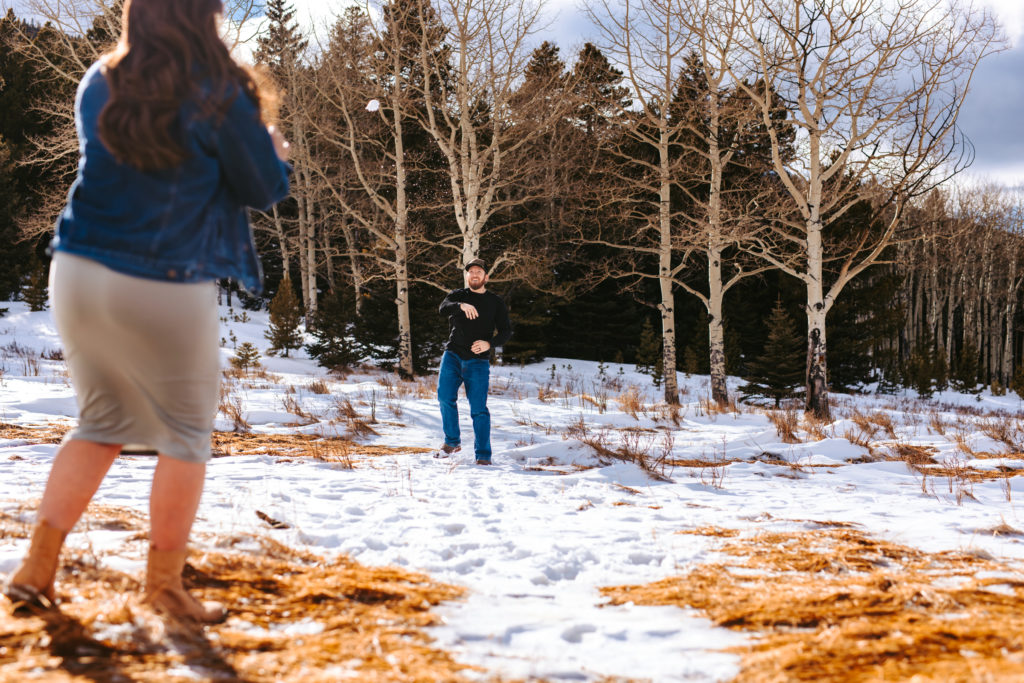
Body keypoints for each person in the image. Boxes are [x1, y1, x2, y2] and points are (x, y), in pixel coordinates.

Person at [3, 0, 290, 623]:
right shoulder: (217, 90)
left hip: (77, 269)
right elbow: (264, 187)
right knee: (185, 434)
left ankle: (36, 569)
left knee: (101, 422)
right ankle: (163, 588)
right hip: (159, 277)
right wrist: (272, 144)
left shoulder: (101, 77)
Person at [437, 258, 512, 465]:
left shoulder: (495, 302)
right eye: (471, 271)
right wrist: (460, 305)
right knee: (444, 398)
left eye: (479, 271)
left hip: (478, 362)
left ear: (486, 277)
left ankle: (483, 455)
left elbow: (506, 331)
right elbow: (443, 309)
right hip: (452, 355)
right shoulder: (457, 296)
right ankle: (452, 442)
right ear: (467, 276)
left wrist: (490, 344)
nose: (475, 274)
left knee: (478, 409)